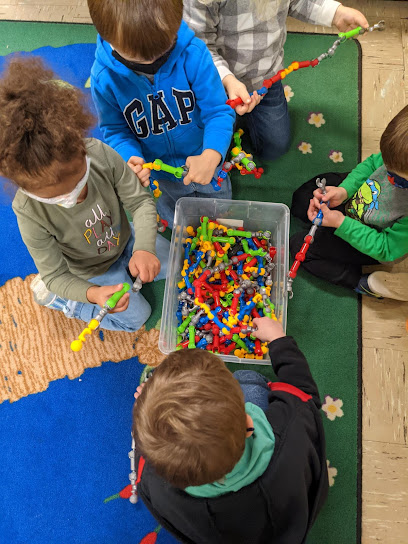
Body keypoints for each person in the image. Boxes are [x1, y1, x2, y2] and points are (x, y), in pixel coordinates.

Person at [0, 57, 169, 332]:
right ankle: (63, 302)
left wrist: (144, 247)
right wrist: (92, 294)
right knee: (137, 317)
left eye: (78, 182)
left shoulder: (99, 153)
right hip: (90, 272)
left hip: (126, 240)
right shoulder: (29, 210)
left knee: (178, 259)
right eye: (55, 197)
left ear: (81, 149)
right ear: (26, 187)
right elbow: (55, 274)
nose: (72, 198)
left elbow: (139, 202)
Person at [132, 317, 328, 544]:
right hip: (292, 517)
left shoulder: (154, 484)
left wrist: (147, 408)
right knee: (247, 378)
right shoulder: (291, 427)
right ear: (249, 423)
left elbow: (144, 447)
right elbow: (302, 392)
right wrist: (278, 340)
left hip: (217, 531)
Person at [87, 0, 235, 229]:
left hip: (205, 158)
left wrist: (212, 154)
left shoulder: (193, 54)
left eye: (164, 51)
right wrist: (129, 157)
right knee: (176, 218)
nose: (151, 63)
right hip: (160, 173)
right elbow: (115, 130)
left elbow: (218, 111)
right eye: (138, 58)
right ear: (108, 38)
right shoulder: (104, 78)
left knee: (220, 215)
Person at [183, 0, 368, 161]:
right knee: (208, 150)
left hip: (265, 79)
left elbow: (300, 2)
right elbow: (198, 45)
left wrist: (336, 13)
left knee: (274, 148)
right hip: (216, 85)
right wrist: (228, 79)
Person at [290, 105, 408, 300]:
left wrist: (341, 224)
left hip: (371, 238)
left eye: (402, 181)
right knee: (302, 199)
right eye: (387, 169)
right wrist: (344, 190)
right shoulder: (398, 156)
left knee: (299, 247)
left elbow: (386, 250)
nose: (390, 180)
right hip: (353, 203)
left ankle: (361, 283)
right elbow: (370, 165)